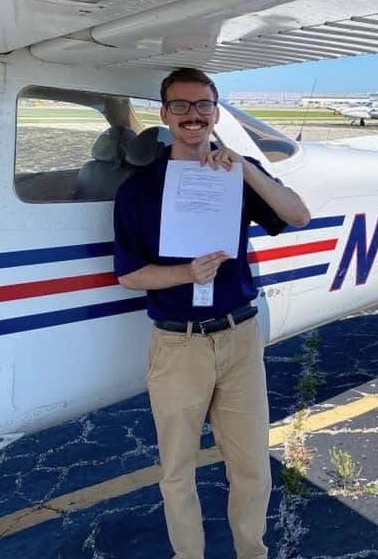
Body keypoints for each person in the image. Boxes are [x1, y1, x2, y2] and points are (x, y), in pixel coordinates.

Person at [113, 67, 310, 559]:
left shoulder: (234, 175)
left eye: (203, 105)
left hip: (239, 336)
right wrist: (186, 274)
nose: (192, 115)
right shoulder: (138, 190)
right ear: (165, 115)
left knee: (251, 467)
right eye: (180, 106)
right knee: (177, 471)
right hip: (178, 344)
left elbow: (297, 214)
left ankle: (252, 551)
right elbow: (130, 274)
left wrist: (245, 167)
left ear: (215, 113)